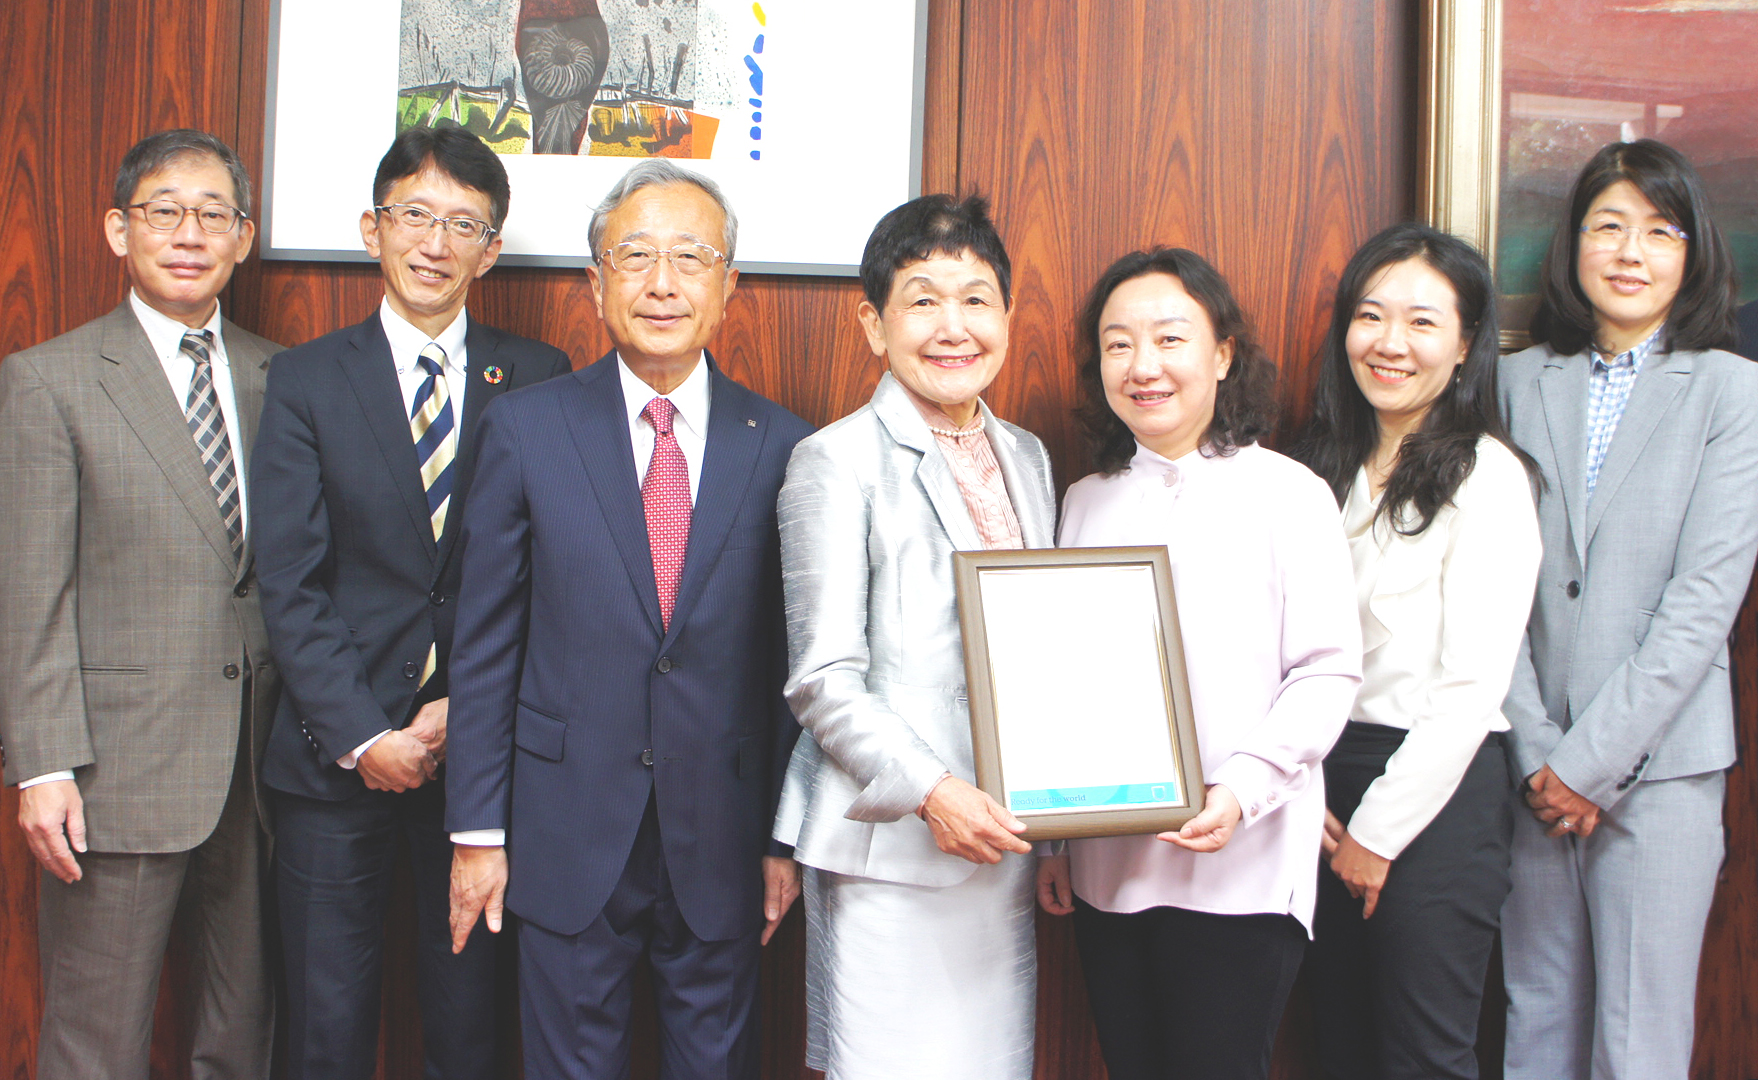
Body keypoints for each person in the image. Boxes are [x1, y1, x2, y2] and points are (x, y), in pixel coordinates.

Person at [443, 158, 812, 1080]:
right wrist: (477, 834)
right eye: (634, 254)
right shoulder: (525, 430)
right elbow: (486, 649)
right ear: (593, 280)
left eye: (691, 257)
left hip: (723, 839)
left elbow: (795, 665)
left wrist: (782, 837)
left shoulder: (787, 446)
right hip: (560, 834)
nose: (662, 282)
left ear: (730, 286)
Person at [249, 127, 571, 1079]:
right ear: (372, 228)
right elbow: (291, 581)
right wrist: (363, 734)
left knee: (470, 1024)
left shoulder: (541, 376)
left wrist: (458, 714)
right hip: (332, 762)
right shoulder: (304, 380)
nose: (435, 242)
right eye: (415, 216)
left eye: (462, 223)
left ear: (492, 249)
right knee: (326, 1024)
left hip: (480, 765)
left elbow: (546, 582)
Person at [1037, 247, 1361, 1080]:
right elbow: (1063, 679)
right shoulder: (1084, 498)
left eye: (1169, 338)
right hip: (1110, 866)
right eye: (1117, 344)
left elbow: (1328, 671)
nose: (1143, 365)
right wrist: (1054, 843)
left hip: (1242, 868)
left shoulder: (1289, 493)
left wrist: (1242, 789)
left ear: (1222, 354)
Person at [0, 129, 279, 1079]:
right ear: (120, 229)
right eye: (165, 211)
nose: (190, 233)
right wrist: (43, 766)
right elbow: (30, 590)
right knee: (95, 1045)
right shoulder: (49, 380)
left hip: (259, 767)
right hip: (113, 772)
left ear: (245, 237)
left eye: (214, 214)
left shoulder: (283, 377)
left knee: (241, 1038)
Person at [771, 193, 1057, 1080]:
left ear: (1007, 317)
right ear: (874, 325)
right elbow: (823, 678)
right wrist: (936, 792)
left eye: (976, 298)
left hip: (1002, 850)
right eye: (923, 299)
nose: (953, 325)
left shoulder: (1030, 456)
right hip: (894, 850)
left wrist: (1053, 830)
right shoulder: (836, 460)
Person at [1498, 138, 1758, 1080]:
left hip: (1666, 771)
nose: (1630, 250)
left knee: (1639, 1045)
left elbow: (1703, 601)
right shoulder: (1517, 382)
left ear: (1692, 254)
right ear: (1573, 245)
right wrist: (1539, 754)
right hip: (1531, 773)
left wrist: (1589, 763)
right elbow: (1494, 590)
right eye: (1608, 225)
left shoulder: (1734, 392)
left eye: (1660, 229)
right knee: (1536, 1024)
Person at [1286, 223, 1540, 1080]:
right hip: (1322, 780)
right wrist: (1299, 783)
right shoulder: (1316, 465)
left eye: (1423, 322)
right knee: (1339, 1044)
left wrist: (1378, 836)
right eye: (1370, 316)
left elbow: (1469, 691)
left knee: (1424, 1053)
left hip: (1436, 790)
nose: (1390, 343)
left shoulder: (1488, 475)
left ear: (1467, 345)